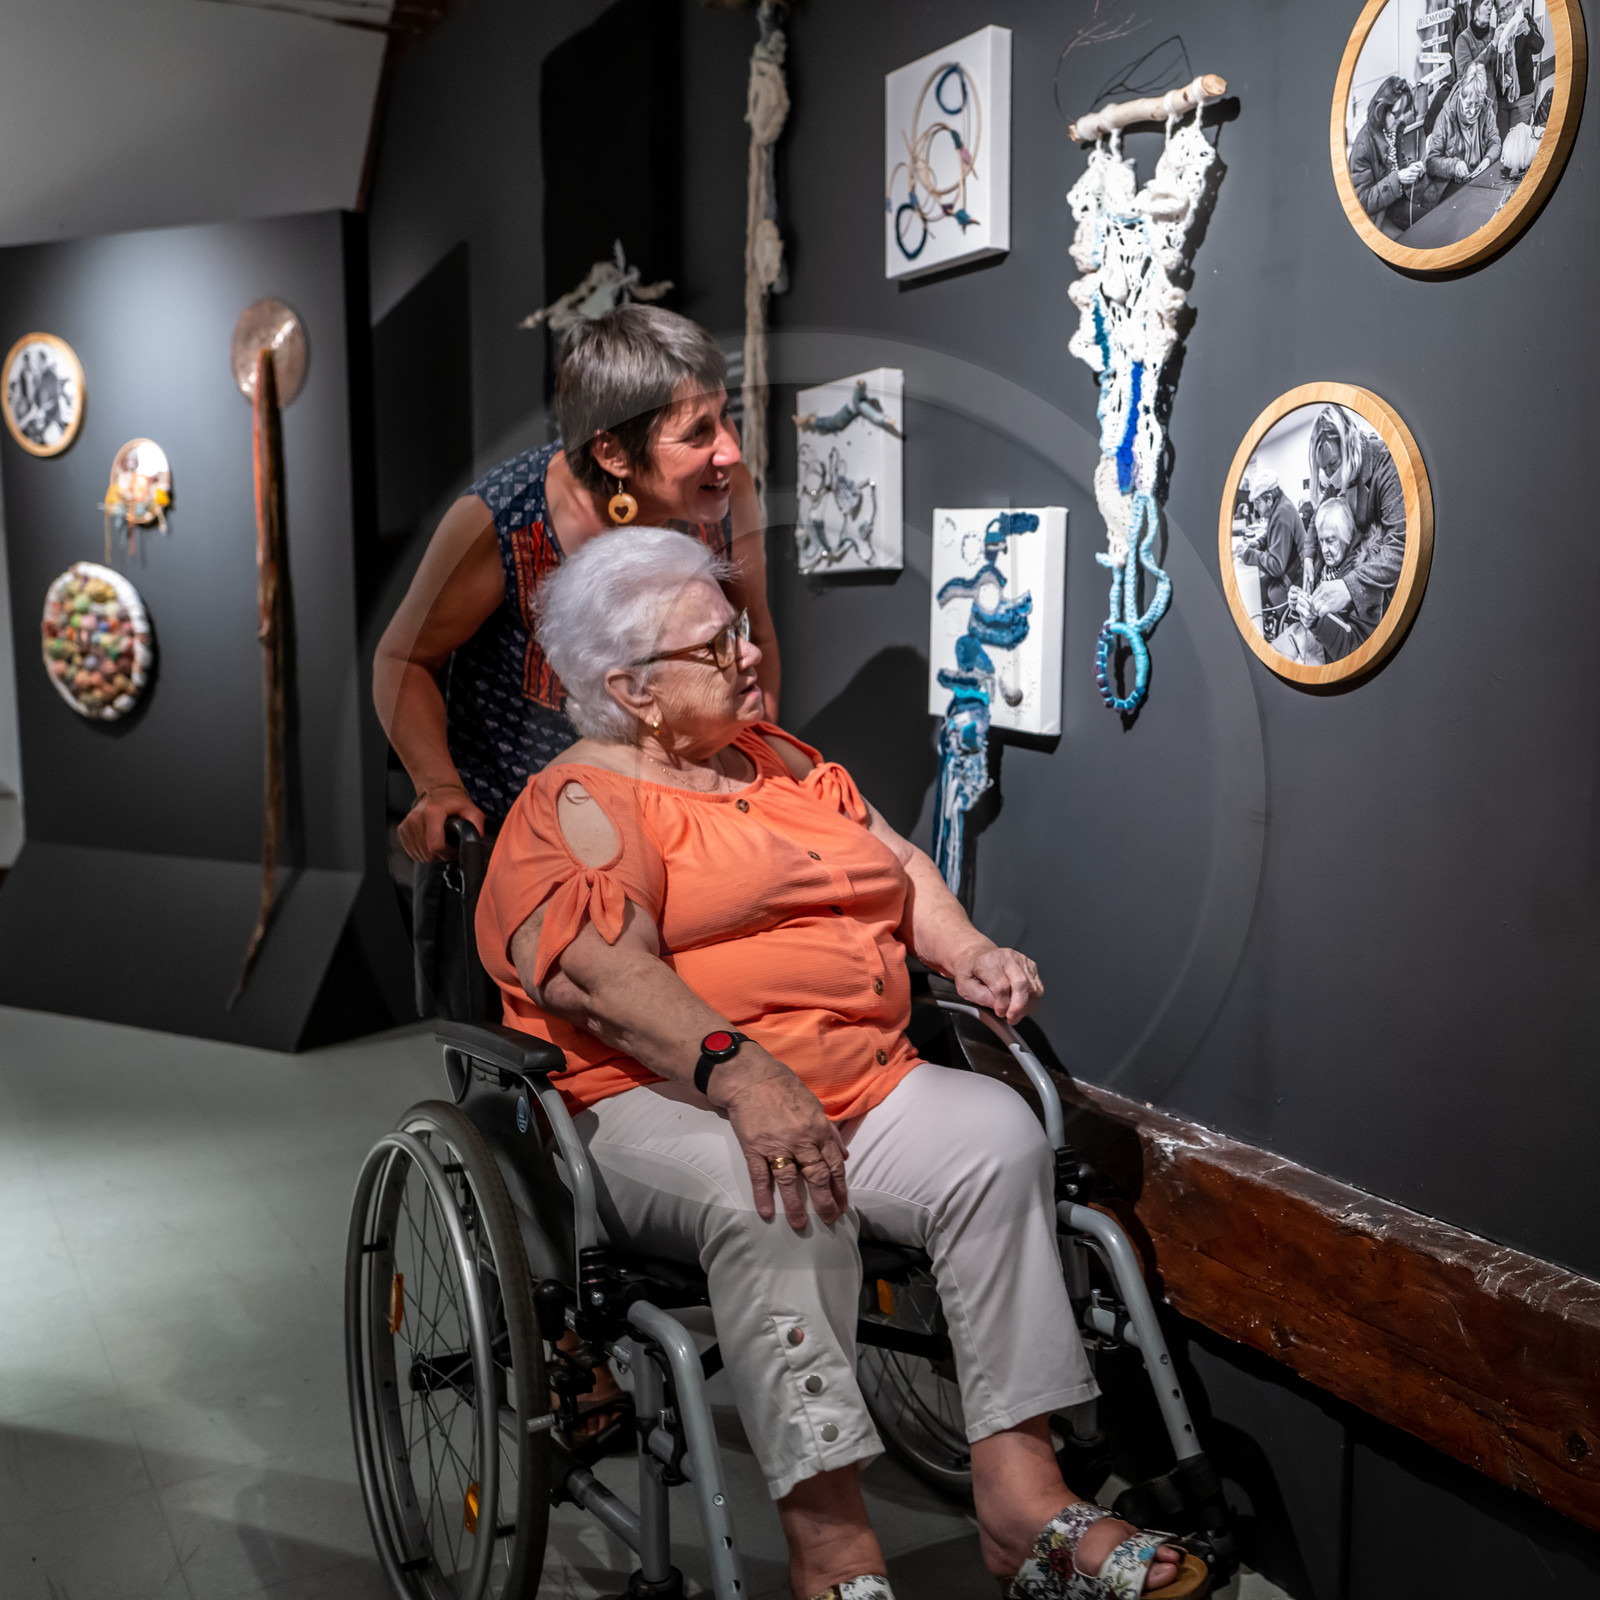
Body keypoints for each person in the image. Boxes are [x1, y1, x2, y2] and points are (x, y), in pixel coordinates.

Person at [476, 526, 1208, 1600]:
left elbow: (899, 864)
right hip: (661, 1103)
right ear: (633, 690)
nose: (747, 653)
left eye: (736, 630)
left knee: (996, 1136)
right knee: (774, 1185)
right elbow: (601, 976)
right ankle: (833, 1552)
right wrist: (738, 1070)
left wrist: (964, 949)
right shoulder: (585, 803)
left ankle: (1022, 1498)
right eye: (714, 645)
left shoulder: (780, 761)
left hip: (850, 1081)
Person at [374, 305, 782, 865]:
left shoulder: (724, 491)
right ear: (612, 451)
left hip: (677, 829)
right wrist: (438, 787)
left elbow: (754, 630)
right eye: (697, 433)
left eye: (725, 416)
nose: (730, 450)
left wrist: (761, 777)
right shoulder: (501, 520)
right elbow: (403, 660)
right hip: (522, 848)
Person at [1273, 499, 1391, 665]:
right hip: (1307, 637)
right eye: (1321, 541)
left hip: (1330, 657)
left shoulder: (1364, 577)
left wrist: (1316, 622)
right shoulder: (1321, 563)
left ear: (1347, 536)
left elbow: (1356, 651)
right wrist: (1298, 602)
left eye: (1330, 541)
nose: (1324, 549)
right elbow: (1311, 609)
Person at [1348, 76, 1434, 238]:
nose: (1401, 119)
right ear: (1382, 110)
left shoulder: (1391, 130)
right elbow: (1361, 201)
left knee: (1429, 222)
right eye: (1396, 114)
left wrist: (1412, 167)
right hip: (1376, 215)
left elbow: (1397, 163)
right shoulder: (1364, 145)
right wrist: (1398, 178)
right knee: (1408, 241)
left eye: (1404, 112)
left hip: (1392, 202)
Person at [1232, 469, 1307, 628]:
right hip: (1292, 573)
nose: (1256, 508)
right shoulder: (1281, 507)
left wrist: (1248, 554)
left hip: (1292, 581)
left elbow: (1276, 566)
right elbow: (1271, 534)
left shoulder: (1282, 514)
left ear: (1269, 499)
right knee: (1258, 586)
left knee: (1254, 594)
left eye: (1258, 502)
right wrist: (1257, 544)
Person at [1427, 62, 1502, 186]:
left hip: (1478, 177)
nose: (1472, 111)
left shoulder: (1486, 109)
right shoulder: (1447, 115)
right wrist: (1453, 165)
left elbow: (1495, 141)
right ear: (1461, 95)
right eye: (1468, 105)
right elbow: (1431, 162)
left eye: (1477, 104)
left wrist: (1488, 159)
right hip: (1450, 183)